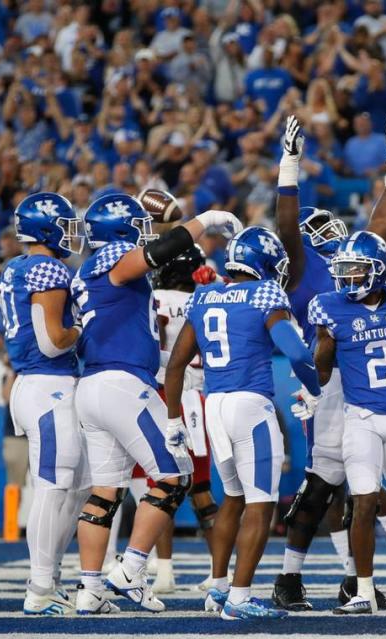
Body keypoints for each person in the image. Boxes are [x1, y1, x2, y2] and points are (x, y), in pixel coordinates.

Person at [70, 193, 241, 614]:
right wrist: (206, 219)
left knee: (105, 493)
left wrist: (167, 361)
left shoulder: (91, 271)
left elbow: (125, 329)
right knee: (174, 475)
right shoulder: (111, 260)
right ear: (118, 231)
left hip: (95, 384)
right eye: (136, 226)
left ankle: (90, 589)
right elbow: (157, 251)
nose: (143, 235)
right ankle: (130, 567)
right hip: (121, 384)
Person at [271, 116, 386, 611]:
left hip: (363, 382)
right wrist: (289, 165)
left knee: (360, 484)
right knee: (330, 478)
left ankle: (374, 580)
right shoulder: (303, 266)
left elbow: (383, 224)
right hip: (329, 383)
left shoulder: (352, 259)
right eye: (320, 231)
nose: (332, 236)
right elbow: (288, 226)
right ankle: (321, 578)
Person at [164, 227, 320, 621]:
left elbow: (177, 363)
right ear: (262, 263)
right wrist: (314, 388)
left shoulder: (204, 295)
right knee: (260, 504)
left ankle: (218, 586)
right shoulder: (265, 294)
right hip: (250, 404)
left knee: (232, 498)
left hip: (214, 403)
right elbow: (297, 352)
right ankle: (239, 597)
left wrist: (172, 420)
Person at [307, 231, 386, 614]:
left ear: (378, 272)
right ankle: (364, 590)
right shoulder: (329, 306)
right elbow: (322, 367)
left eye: (356, 270)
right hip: (360, 416)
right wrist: (324, 344)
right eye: (344, 270)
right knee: (363, 502)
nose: (347, 277)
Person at [0, 192, 90, 615]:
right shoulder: (47, 268)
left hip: (36, 385)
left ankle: (48, 576)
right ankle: (39, 586)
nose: (70, 231)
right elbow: (53, 342)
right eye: (64, 223)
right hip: (48, 384)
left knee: (78, 485)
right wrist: (83, 328)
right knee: (54, 486)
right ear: (45, 227)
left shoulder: (18, 266)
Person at [151, 247, 220, 594]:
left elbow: (156, 346)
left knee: (164, 485)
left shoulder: (159, 298)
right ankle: (217, 570)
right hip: (203, 398)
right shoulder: (209, 297)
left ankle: (164, 572)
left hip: (170, 395)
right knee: (202, 491)